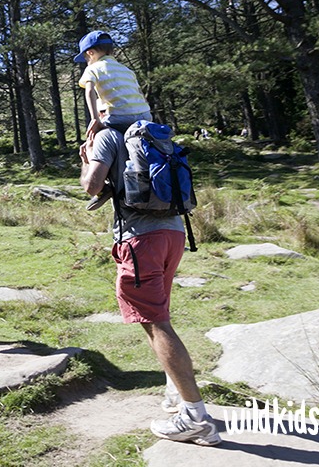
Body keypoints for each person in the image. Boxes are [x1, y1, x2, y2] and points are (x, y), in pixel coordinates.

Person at [79, 116, 221, 446]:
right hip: (173, 233)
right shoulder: (153, 135)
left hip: (141, 240)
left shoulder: (110, 136)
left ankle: (196, 417)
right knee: (155, 320)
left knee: (157, 323)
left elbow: (91, 186)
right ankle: (176, 391)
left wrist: (86, 162)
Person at [74, 30, 152, 138]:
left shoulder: (92, 68)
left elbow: (90, 91)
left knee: (96, 136)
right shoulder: (126, 70)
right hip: (145, 115)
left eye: (86, 58)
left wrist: (95, 119)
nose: (87, 61)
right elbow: (140, 94)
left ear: (90, 53)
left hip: (120, 117)